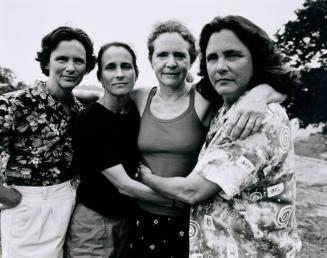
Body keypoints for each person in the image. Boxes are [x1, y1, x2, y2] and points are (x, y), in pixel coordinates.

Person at [138, 15, 302, 257]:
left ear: (256, 60)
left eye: (233, 55)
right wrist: (262, 92)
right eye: (212, 58)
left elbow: (192, 191)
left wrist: (145, 177)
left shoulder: (258, 119)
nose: (220, 66)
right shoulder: (226, 106)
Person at [65, 42, 172, 258]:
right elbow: (123, 185)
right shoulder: (88, 120)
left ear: (136, 72)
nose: (120, 74)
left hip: (129, 222)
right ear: (100, 77)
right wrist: (178, 201)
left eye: (126, 66)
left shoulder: (136, 113)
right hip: (93, 223)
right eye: (111, 67)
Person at [0, 26, 96, 258]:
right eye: (62, 59)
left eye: (78, 61)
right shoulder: (15, 104)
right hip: (27, 206)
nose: (71, 67)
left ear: (87, 67)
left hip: (70, 203)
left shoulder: (80, 110)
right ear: (47, 62)